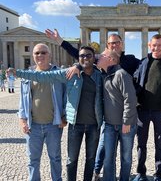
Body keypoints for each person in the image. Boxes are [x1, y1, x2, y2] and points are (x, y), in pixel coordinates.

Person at [45, 29, 140, 179]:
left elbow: (146, 73)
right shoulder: (101, 62)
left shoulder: (130, 60)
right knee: (105, 151)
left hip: (125, 118)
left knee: (125, 156)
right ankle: (98, 172)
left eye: (116, 42)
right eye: (110, 43)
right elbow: (83, 57)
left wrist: (138, 97)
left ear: (121, 44)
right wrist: (72, 58)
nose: (113, 45)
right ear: (107, 45)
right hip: (108, 119)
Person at [16, 46, 104, 181]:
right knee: (70, 159)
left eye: (88, 55)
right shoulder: (70, 73)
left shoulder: (99, 76)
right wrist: (18, 73)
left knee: (88, 158)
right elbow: (42, 78)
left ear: (94, 57)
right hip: (74, 124)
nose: (85, 58)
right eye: (82, 56)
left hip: (90, 124)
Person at [17, 43, 66, 180]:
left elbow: (66, 96)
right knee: (33, 160)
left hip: (53, 125)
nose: (40, 55)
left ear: (49, 55)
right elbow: (22, 99)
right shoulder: (28, 75)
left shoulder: (58, 74)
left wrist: (65, 117)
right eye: (37, 53)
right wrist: (22, 120)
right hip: (33, 126)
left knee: (55, 158)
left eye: (43, 52)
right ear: (33, 56)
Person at [133, 34, 161, 181]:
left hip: (160, 111)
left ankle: (158, 173)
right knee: (141, 144)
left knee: (159, 144)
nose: (157, 47)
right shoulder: (142, 63)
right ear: (149, 46)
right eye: (154, 45)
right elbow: (134, 82)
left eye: (159, 45)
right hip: (143, 110)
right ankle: (141, 172)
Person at [97, 50, 138, 181]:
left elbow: (130, 99)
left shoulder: (121, 74)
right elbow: (83, 61)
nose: (98, 57)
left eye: (101, 55)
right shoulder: (103, 74)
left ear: (110, 59)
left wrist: (126, 121)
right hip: (109, 124)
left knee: (126, 157)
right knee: (108, 157)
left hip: (126, 125)